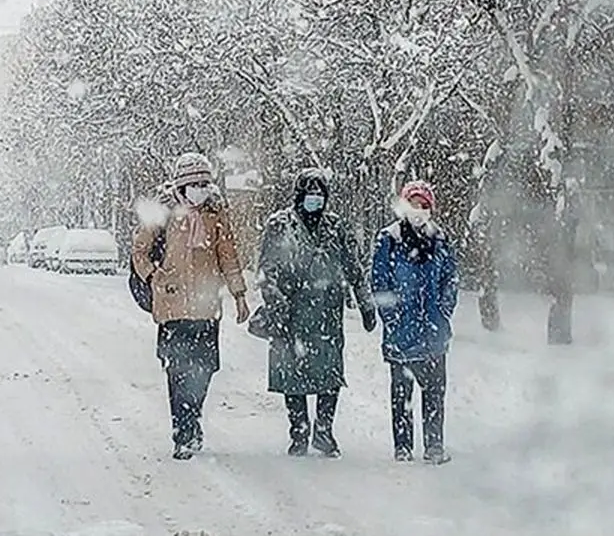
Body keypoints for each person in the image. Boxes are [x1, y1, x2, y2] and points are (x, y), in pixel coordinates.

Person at [132, 152, 250, 460]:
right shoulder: (164, 213)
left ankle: (193, 416)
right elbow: (139, 251)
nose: (201, 189)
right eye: (195, 183)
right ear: (182, 185)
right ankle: (182, 433)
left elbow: (228, 256)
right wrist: (155, 277)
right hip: (172, 308)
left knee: (205, 368)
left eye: (205, 184)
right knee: (177, 371)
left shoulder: (215, 215)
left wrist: (239, 295)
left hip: (206, 307)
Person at [257, 168, 376, 457]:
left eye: (320, 195)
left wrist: (366, 303)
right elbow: (266, 271)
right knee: (292, 373)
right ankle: (299, 430)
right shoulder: (279, 225)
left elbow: (353, 268)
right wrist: (276, 302)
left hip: (326, 314)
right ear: (299, 196)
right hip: (291, 314)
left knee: (329, 374)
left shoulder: (336, 226)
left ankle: (324, 431)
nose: (315, 200)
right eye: (310, 194)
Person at [371, 180, 459, 465]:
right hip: (402, 333)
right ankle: (403, 445)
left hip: (434, 332)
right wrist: (392, 318)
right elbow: (379, 281)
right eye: (414, 204)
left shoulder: (440, 239)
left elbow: (451, 278)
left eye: (424, 205)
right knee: (402, 394)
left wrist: (444, 311)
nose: (419, 211)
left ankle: (434, 445)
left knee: (434, 392)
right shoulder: (389, 239)